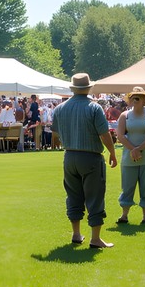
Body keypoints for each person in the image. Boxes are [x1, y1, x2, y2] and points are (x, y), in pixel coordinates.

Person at [51, 73, 118, 249]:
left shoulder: (60, 108)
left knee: (73, 196)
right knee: (95, 197)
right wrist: (112, 152)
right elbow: (104, 134)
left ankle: (76, 234)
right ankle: (95, 238)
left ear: (73, 88)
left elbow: (55, 137)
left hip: (69, 157)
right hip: (91, 157)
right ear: (88, 88)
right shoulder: (94, 108)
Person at [116, 86, 145, 225]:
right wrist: (132, 150)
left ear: (144, 100)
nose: (135, 98)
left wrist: (139, 149)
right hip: (128, 158)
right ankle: (124, 215)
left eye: (138, 96)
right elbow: (120, 135)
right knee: (127, 187)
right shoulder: (125, 115)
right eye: (133, 96)